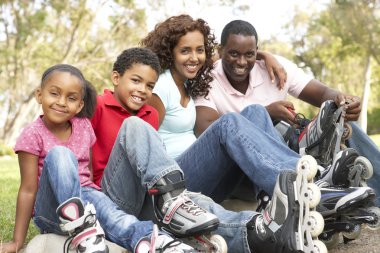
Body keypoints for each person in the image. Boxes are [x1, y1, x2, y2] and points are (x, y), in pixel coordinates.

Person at [139, 14, 329, 252]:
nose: (194, 57)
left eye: (200, 50)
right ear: (171, 51)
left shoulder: (193, 80)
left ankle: (273, 200)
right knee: (229, 122)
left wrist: (262, 55)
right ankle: (309, 181)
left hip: (205, 178)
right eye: (185, 51)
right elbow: (144, 143)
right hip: (174, 182)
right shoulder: (161, 86)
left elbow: (230, 54)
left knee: (256, 112)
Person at [0, 62, 196, 253]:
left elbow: (89, 174)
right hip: (52, 209)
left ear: (79, 105)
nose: (61, 102)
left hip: (87, 197)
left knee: (117, 217)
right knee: (60, 154)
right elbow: (28, 190)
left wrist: (102, 205)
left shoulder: (83, 126)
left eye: (71, 98)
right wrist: (17, 242)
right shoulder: (32, 134)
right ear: (39, 95)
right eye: (54, 93)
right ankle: (81, 228)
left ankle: (156, 243)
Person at [194, 19, 380, 206]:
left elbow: (323, 93)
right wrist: (269, 113)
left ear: (257, 51)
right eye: (233, 54)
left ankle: (371, 194)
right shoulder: (208, 79)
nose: (241, 62)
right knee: (260, 117)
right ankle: (311, 181)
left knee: (342, 119)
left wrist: (342, 100)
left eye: (249, 54)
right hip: (244, 169)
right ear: (220, 50)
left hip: (290, 150)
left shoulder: (275, 67)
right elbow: (206, 130)